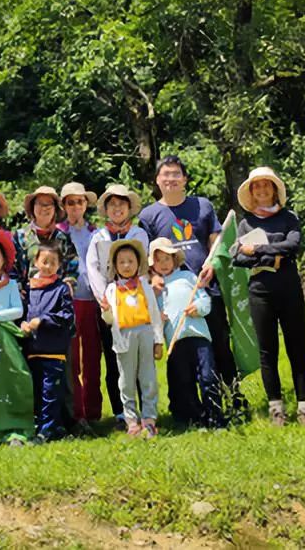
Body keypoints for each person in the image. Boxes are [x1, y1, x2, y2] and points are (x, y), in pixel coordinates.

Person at [139, 155, 245, 418]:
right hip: (172, 298)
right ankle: (185, 409)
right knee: (180, 353)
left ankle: (232, 400)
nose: (171, 179)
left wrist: (214, 265)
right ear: (157, 180)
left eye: (176, 174)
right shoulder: (149, 215)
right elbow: (146, 255)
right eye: (166, 175)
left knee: (219, 346)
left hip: (207, 290)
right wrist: (153, 278)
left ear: (185, 179)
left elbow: (216, 240)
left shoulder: (202, 206)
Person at [231, 167, 305, 426]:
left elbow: (293, 245)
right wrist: (273, 256)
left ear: (275, 189)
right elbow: (238, 257)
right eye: (257, 186)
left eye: (267, 185)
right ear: (252, 193)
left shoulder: (288, 217)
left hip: (289, 289)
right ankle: (276, 408)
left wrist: (258, 249)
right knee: (268, 352)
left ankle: (304, 407)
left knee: (296, 348)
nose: (263, 190)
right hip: (260, 292)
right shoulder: (246, 223)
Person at [85, 184, 150, 428]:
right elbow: (92, 269)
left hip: (136, 303)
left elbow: (143, 267)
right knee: (114, 359)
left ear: (129, 208)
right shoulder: (98, 237)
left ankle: (146, 410)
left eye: (121, 204)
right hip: (108, 306)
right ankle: (121, 412)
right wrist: (105, 298)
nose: (117, 209)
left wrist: (133, 292)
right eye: (112, 205)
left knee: (140, 358)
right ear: (106, 209)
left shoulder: (139, 234)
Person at [149, 238, 223, 429]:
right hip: (176, 340)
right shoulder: (155, 290)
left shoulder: (188, 278)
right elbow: (152, 316)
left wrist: (198, 307)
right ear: (153, 264)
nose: (164, 264)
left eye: (167, 259)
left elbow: (205, 302)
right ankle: (196, 418)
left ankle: (215, 417)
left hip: (199, 337)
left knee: (208, 377)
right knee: (184, 381)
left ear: (175, 260)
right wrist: (158, 317)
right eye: (159, 260)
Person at [100, 239, 164, 438]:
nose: (126, 266)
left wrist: (158, 340)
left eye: (130, 261)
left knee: (148, 377)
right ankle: (131, 420)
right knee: (126, 380)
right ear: (115, 266)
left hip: (145, 334)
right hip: (123, 338)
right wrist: (107, 311)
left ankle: (149, 418)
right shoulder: (111, 290)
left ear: (138, 263)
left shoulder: (144, 285)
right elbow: (109, 320)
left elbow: (154, 313)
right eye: (121, 262)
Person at [21, 241, 75, 442]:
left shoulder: (61, 289)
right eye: (44, 261)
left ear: (59, 265)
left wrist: (43, 321)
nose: (48, 266)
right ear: (36, 262)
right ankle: (50, 427)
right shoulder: (29, 289)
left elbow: (67, 316)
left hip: (54, 351)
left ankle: (47, 431)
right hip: (33, 350)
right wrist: (23, 324)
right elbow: (23, 314)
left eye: (53, 262)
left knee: (50, 392)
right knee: (36, 391)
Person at [57, 182, 100, 432]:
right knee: (72, 358)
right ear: (64, 206)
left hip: (92, 299)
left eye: (80, 202)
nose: (75, 207)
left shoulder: (96, 232)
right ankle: (77, 412)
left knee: (93, 356)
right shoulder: (58, 232)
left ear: (86, 204)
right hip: (68, 299)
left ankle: (93, 411)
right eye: (70, 202)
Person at [13, 186, 79, 291]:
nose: (44, 208)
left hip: (56, 298)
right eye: (40, 203)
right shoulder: (20, 236)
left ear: (55, 209)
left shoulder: (63, 238)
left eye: (49, 204)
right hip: (28, 298)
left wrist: (68, 286)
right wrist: (17, 288)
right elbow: (11, 266)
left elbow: (73, 266)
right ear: (32, 207)